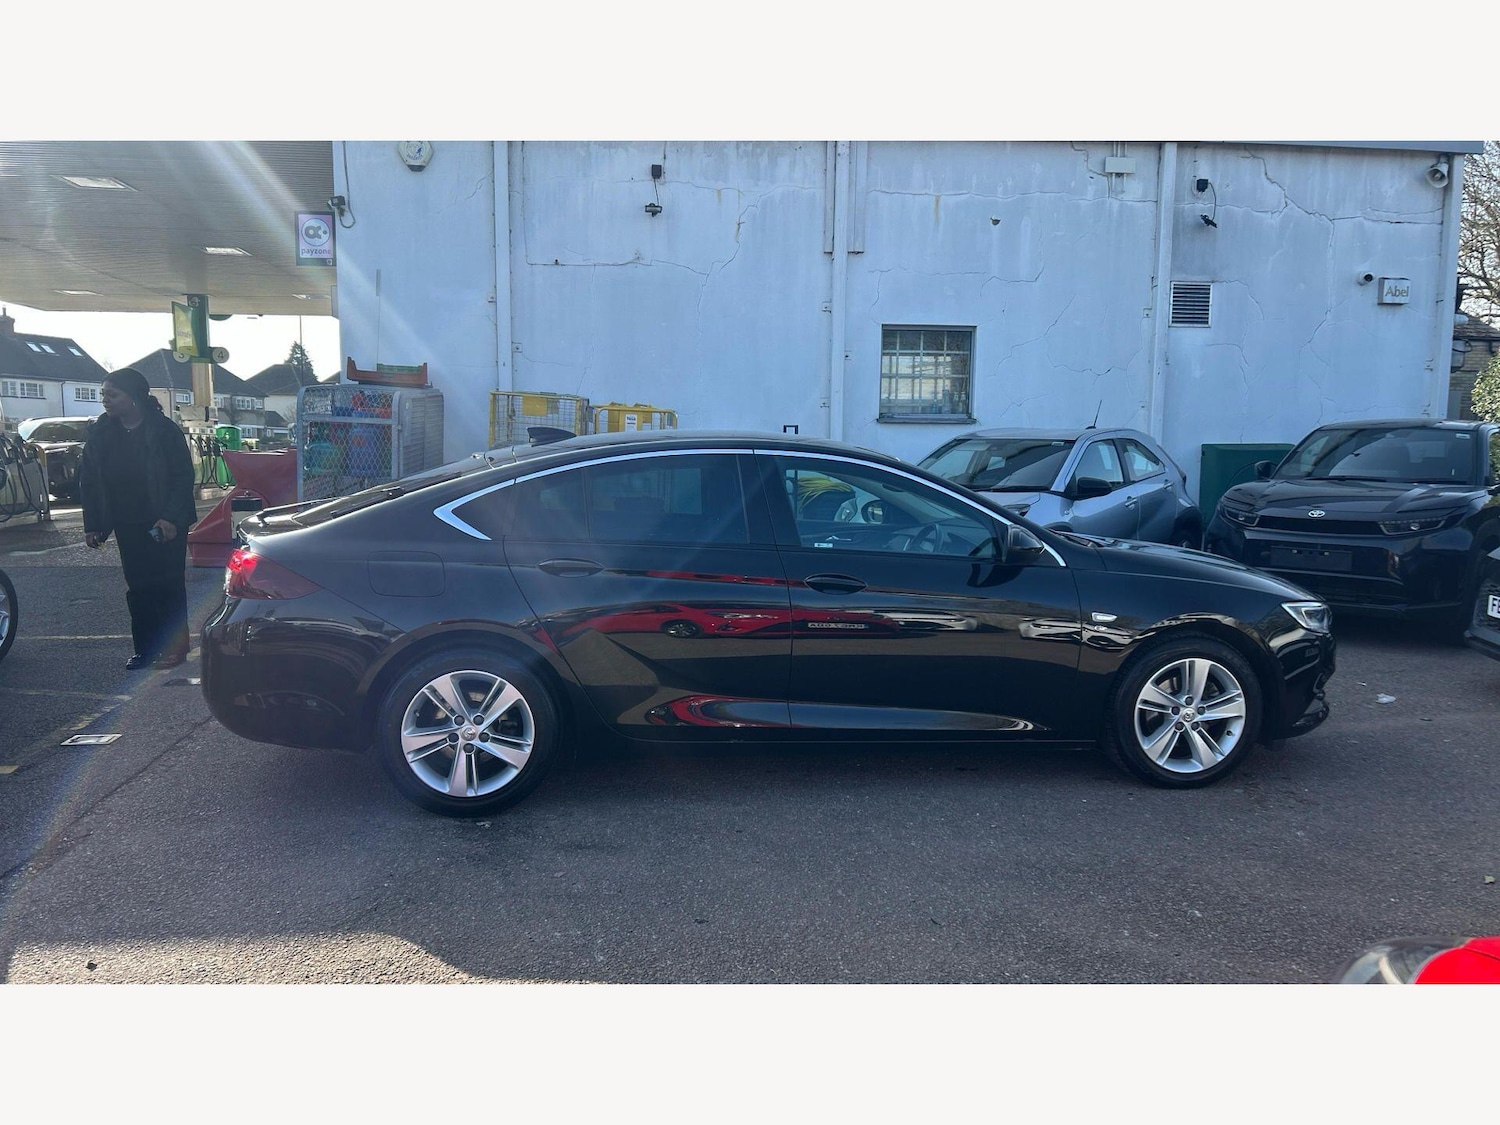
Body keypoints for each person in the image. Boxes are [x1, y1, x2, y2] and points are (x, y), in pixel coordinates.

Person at [80, 368, 198, 670]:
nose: (105, 400)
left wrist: (170, 518)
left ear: (133, 398)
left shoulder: (163, 431)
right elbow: (90, 480)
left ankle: (175, 648)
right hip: (126, 521)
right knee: (139, 587)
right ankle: (145, 649)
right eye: (103, 394)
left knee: (168, 584)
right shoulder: (101, 432)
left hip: (163, 522)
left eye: (112, 394)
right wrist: (93, 524)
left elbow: (182, 477)